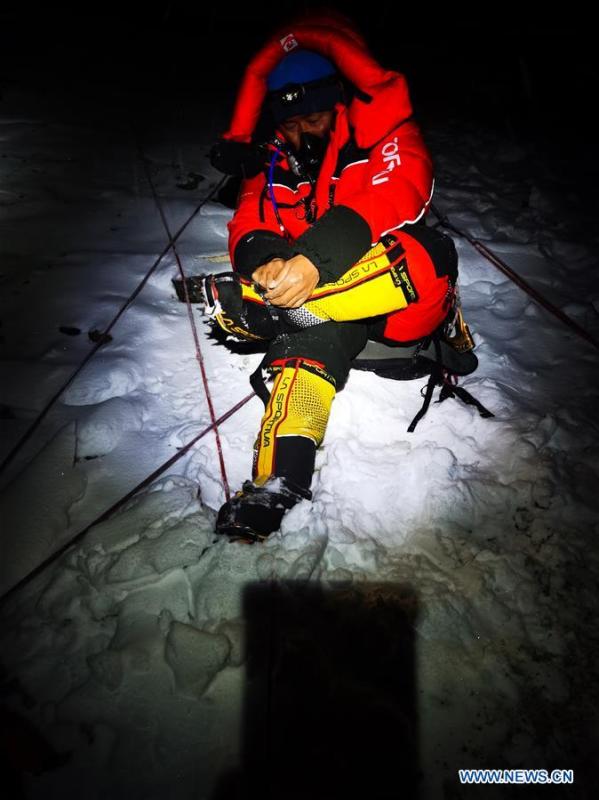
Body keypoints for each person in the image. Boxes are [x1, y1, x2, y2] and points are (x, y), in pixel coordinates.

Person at [204, 13, 464, 542]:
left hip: (398, 303)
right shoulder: (273, 160)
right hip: (327, 318)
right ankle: (281, 481)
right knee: (305, 346)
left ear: (338, 103)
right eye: (293, 124)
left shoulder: (382, 133)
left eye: (317, 118)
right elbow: (249, 220)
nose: (306, 132)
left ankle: (271, 309)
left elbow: (399, 188)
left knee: (426, 249)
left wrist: (311, 262)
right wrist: (268, 262)